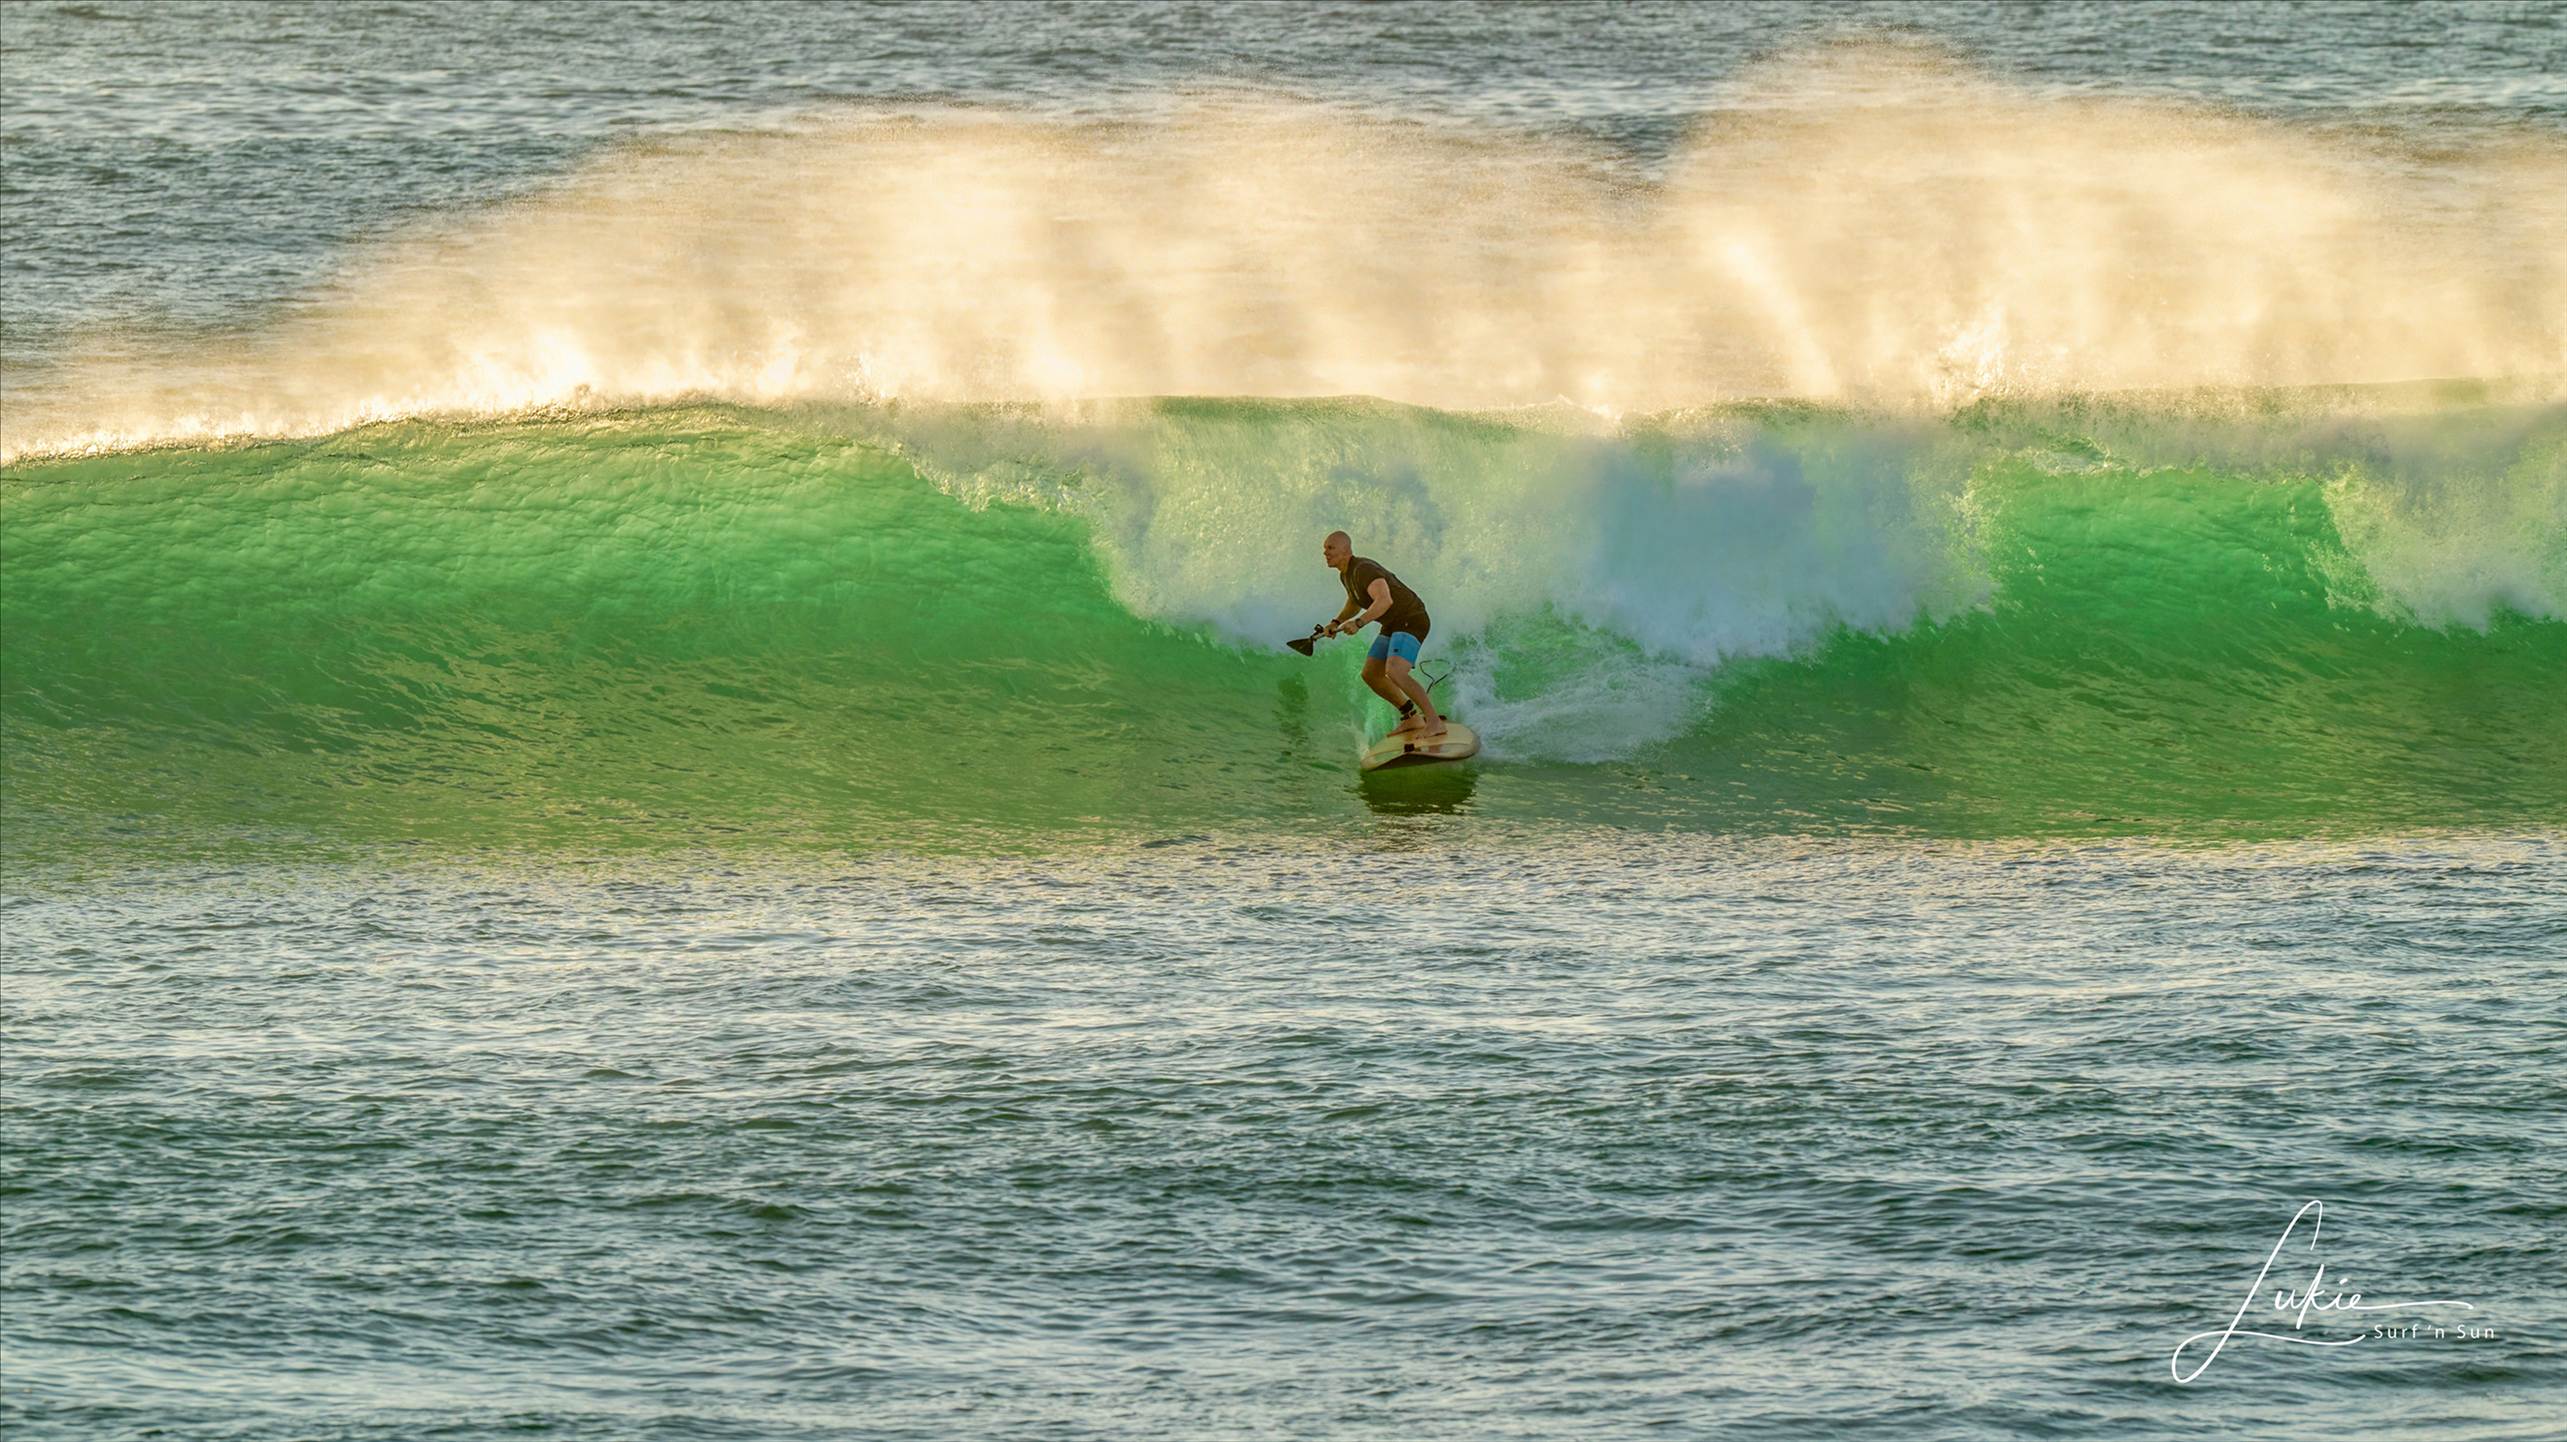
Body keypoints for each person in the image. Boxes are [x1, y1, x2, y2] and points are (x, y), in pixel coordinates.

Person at [1317, 530, 1444, 739]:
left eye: (1330, 548)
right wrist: (1335, 622)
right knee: (1371, 674)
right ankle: (1411, 717)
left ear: (1346, 550)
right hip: (1392, 624)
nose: (1325, 552)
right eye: (1324, 548)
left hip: (1411, 619)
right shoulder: (1346, 574)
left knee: (1395, 671)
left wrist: (1358, 623)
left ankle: (1434, 721)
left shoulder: (1364, 569)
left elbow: (1385, 600)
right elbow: (1355, 601)